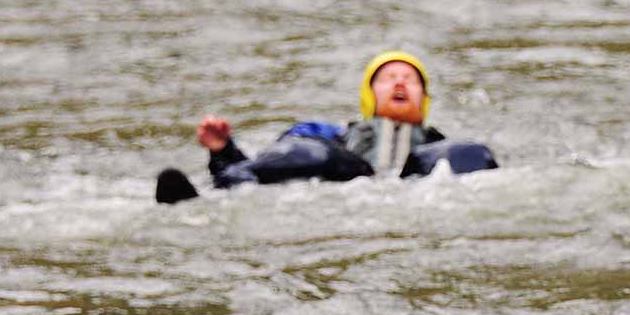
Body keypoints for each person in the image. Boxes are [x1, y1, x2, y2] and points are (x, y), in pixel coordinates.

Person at [155, 51, 498, 204]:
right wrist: (223, 151)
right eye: (388, 78)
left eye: (410, 80)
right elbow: (275, 162)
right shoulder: (332, 137)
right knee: (308, 149)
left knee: (471, 152)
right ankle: (211, 192)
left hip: (408, 187)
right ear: (369, 95)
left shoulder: (437, 148)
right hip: (347, 181)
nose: (399, 83)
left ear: (423, 98)